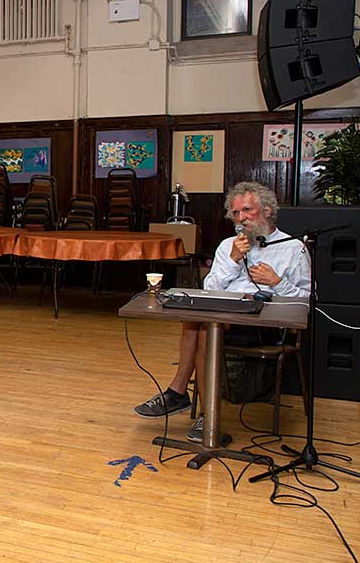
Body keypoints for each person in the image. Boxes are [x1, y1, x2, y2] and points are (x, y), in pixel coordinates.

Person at [133, 181, 311, 442]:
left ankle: (187, 399)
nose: (241, 219)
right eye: (236, 213)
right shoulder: (229, 245)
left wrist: (277, 283)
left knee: (204, 328)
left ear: (267, 210)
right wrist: (233, 259)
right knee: (196, 321)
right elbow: (211, 287)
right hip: (228, 315)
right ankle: (197, 408)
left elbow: (306, 301)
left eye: (247, 210)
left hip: (267, 324)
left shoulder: (293, 248)